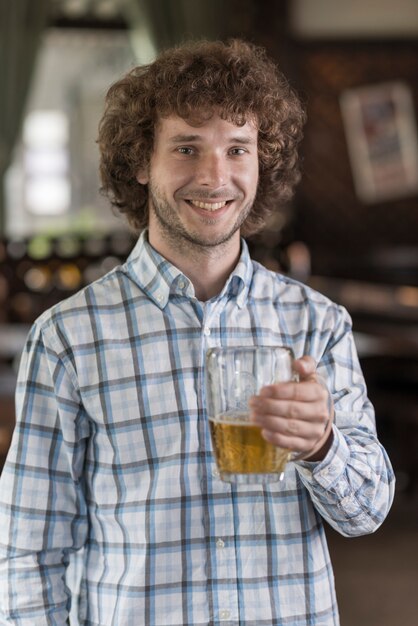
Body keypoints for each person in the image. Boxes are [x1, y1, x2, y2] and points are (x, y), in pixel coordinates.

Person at [0, 39, 394, 626]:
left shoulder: (318, 324)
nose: (216, 176)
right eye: (188, 147)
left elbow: (367, 514)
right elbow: (28, 551)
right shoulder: (67, 339)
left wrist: (322, 445)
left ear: (264, 161)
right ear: (141, 161)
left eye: (238, 149)